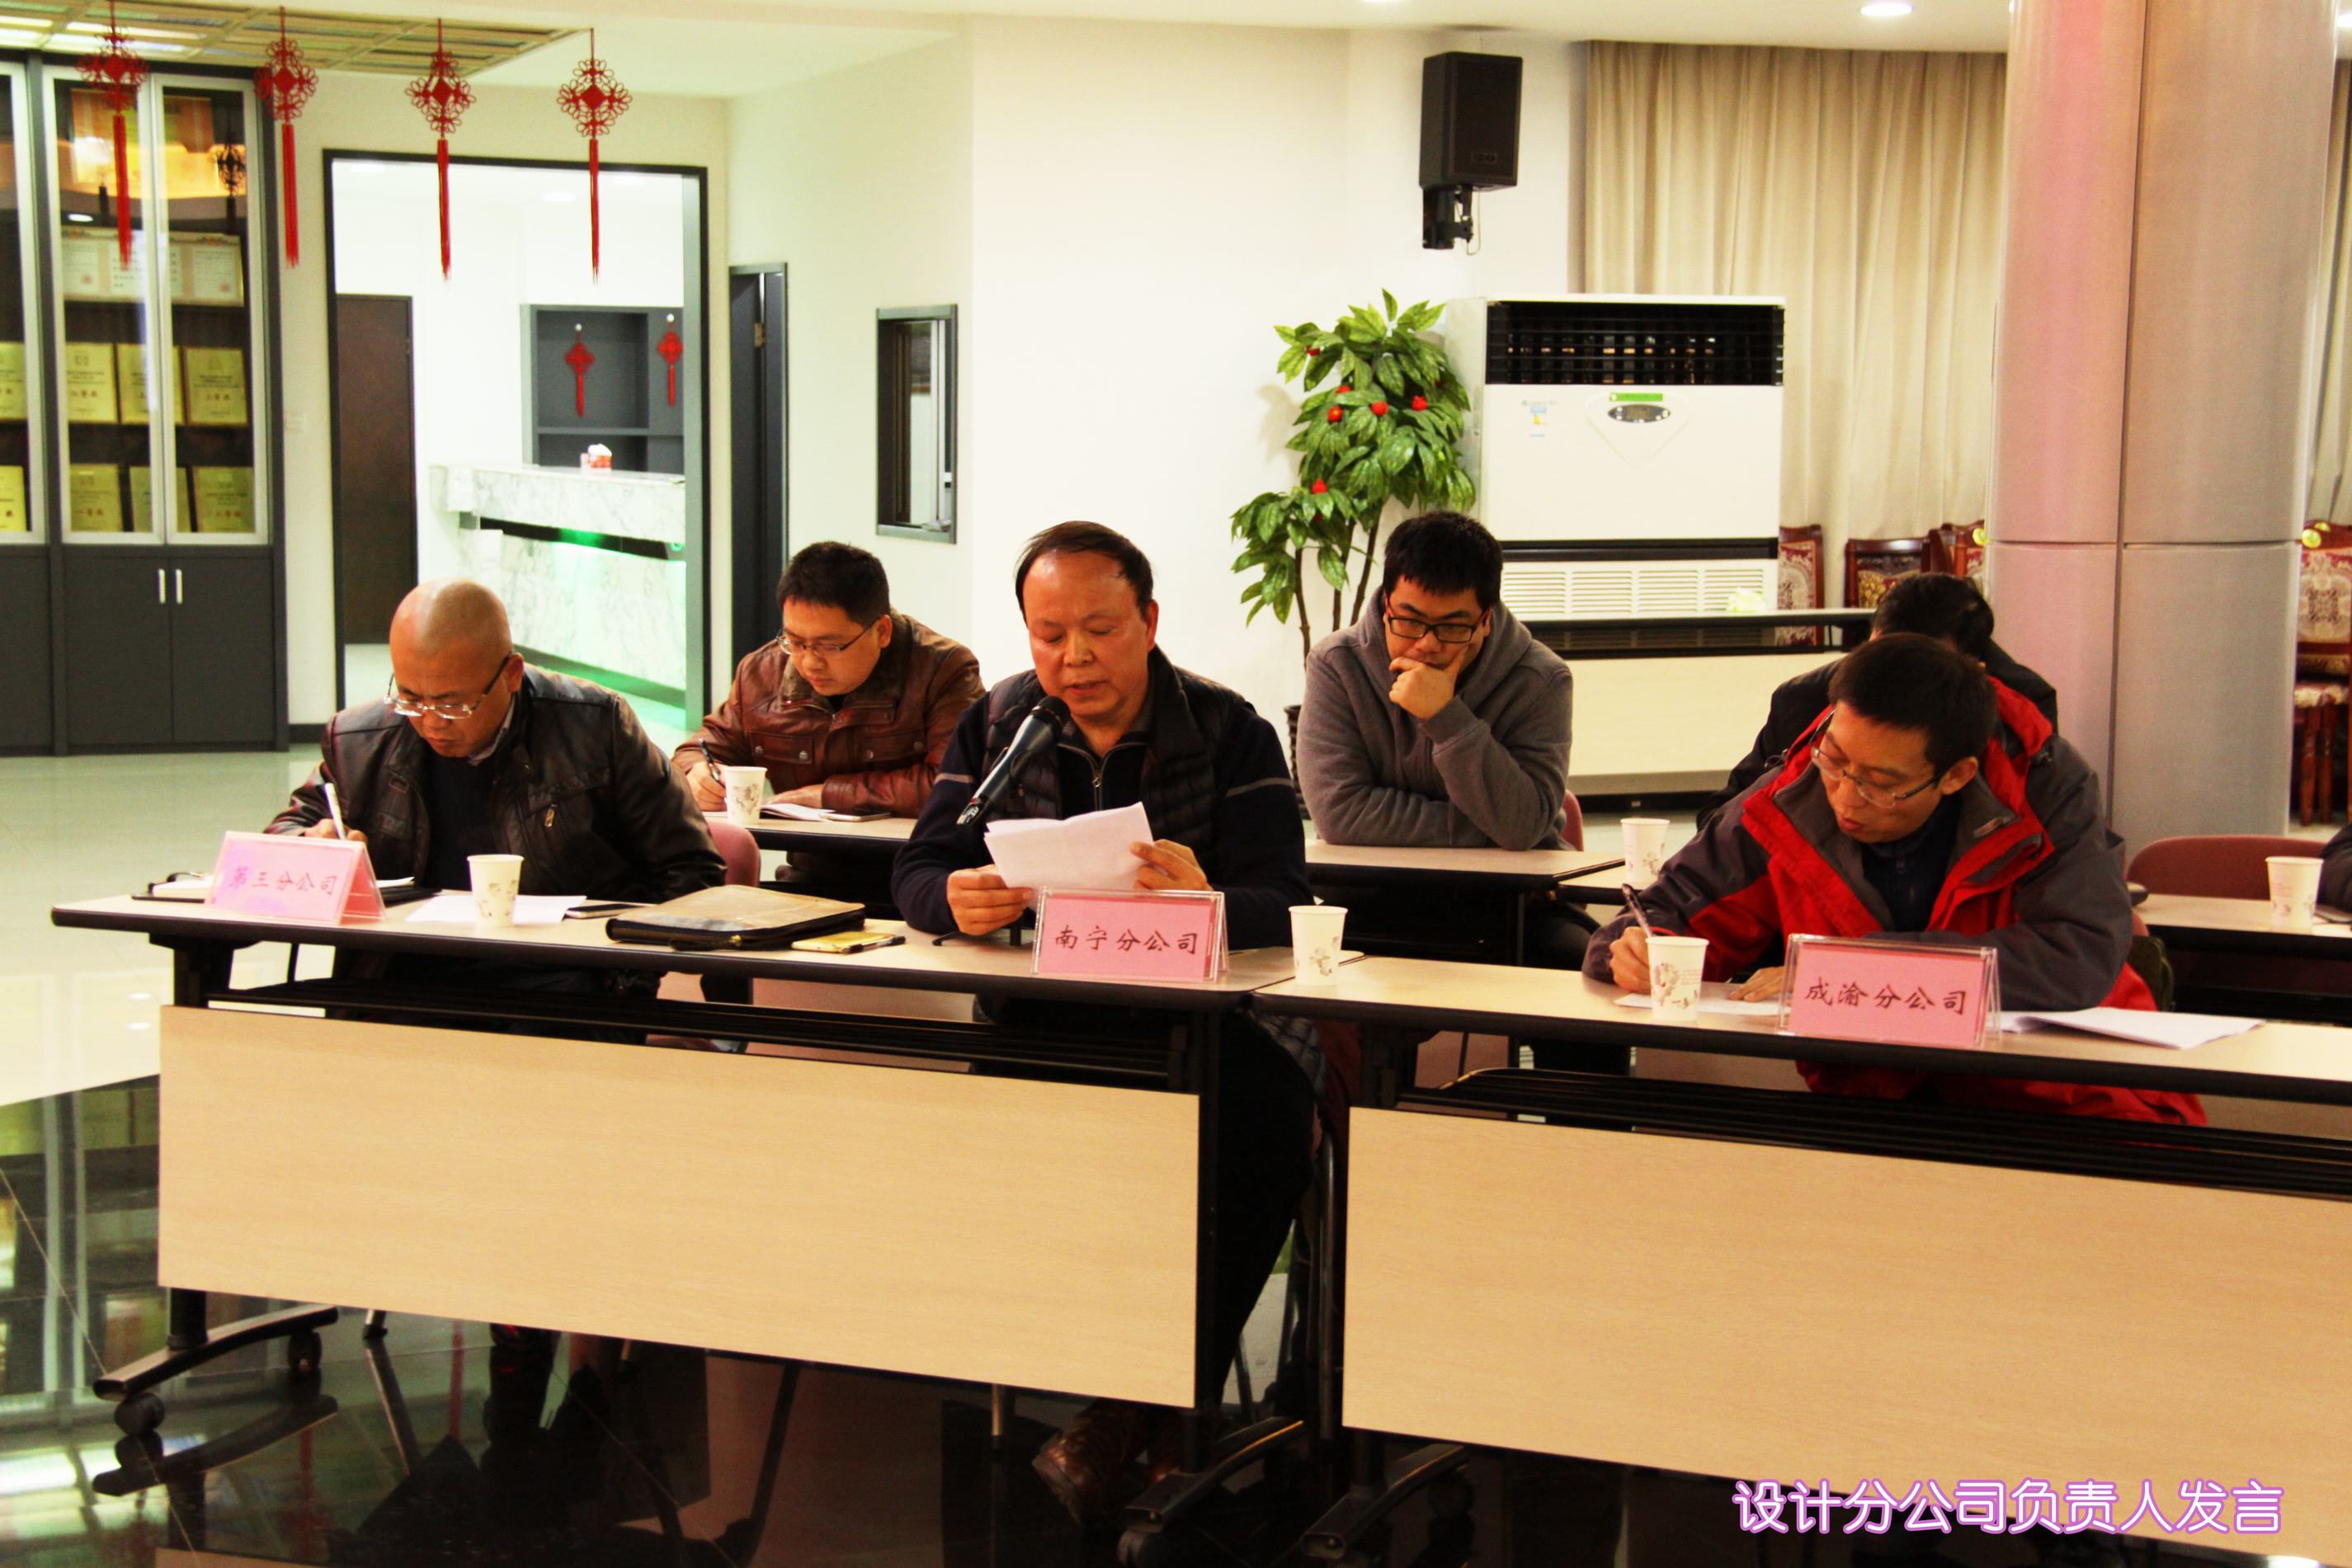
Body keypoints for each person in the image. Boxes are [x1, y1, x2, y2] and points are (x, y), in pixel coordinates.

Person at [893, 522, 1314, 1523]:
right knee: (995, 1142)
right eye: (1048, 635)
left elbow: (1288, 902)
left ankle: (1132, 1409)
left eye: (1099, 630)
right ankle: (1144, 1413)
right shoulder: (1000, 724)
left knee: (1261, 1130)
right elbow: (917, 868)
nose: (1073, 657)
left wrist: (1209, 898)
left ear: (1149, 621)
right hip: (1050, 1020)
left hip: (1208, 1028)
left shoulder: (1228, 729)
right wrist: (952, 898)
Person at [1586, 633, 2201, 1126]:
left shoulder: (2042, 789)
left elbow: (2076, 954)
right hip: (1875, 1105)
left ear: (1956, 775)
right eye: (1835, 761)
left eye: (1880, 783)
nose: (1844, 796)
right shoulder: (1793, 796)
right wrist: (1634, 948)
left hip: (2066, 1100)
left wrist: (1846, 971)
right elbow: (1662, 912)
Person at [270, 578, 724, 991]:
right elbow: (278, 844)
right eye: (410, 698)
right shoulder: (359, 741)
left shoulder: (595, 727)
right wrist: (311, 847)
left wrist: (619, 970)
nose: (430, 722)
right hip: (401, 977)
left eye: (453, 705)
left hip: (564, 980)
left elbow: (690, 868)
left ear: (511, 674)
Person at [1697, 572, 2060, 831]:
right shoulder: (1805, 699)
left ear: (1972, 667)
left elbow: (2042, 836)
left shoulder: (2021, 710)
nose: (1890, 685)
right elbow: (1719, 822)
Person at [674, 541, 983, 818]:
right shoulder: (760, 674)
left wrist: (826, 795)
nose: (810, 662)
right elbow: (697, 752)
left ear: (882, 632)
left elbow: (955, 783)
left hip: (912, 856)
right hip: (809, 856)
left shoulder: (943, 670)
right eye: (795, 642)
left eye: (830, 646)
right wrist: (697, 774)